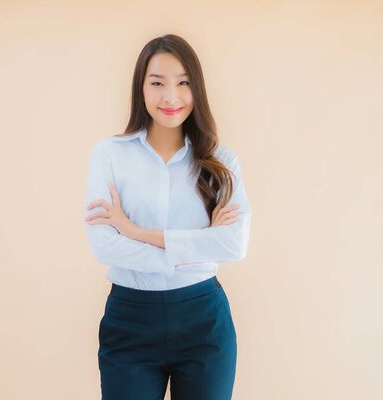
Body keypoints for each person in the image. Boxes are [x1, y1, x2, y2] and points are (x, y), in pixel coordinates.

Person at [83, 34, 252, 400]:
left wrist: (136, 231)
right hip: (130, 320)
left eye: (183, 83)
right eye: (157, 83)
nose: (170, 97)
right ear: (141, 88)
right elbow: (104, 246)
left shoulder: (222, 162)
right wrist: (196, 245)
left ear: (197, 88)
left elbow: (234, 244)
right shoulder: (110, 154)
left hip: (203, 320)